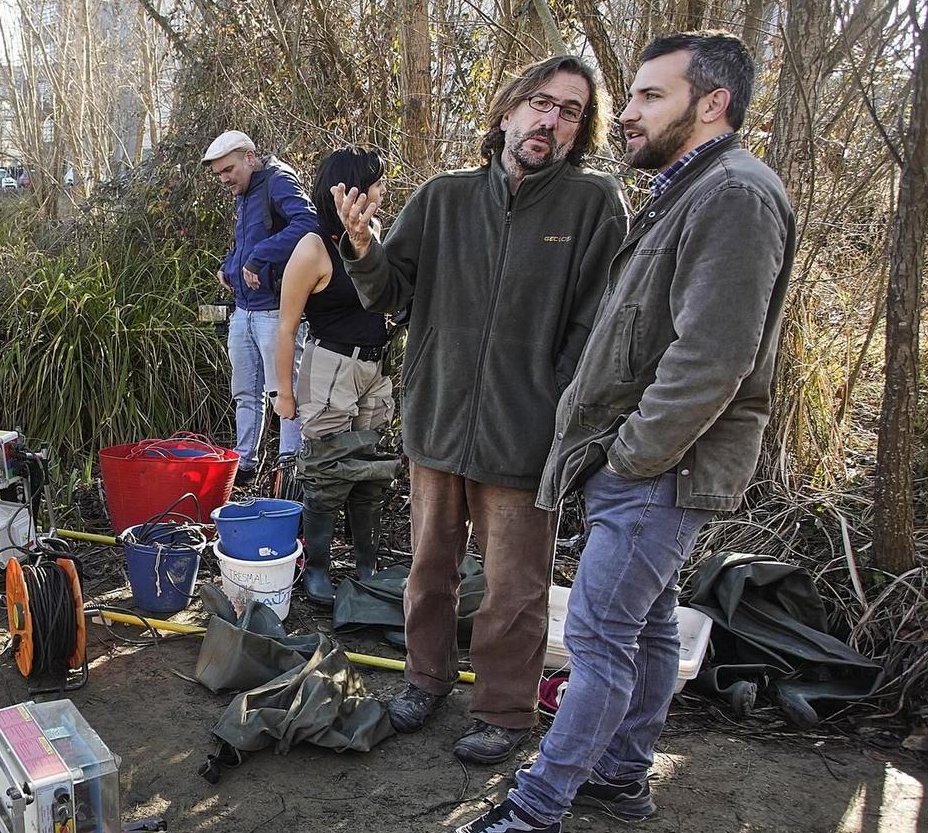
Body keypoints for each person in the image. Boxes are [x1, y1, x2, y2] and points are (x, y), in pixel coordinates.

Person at [429, 31, 795, 833]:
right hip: (654, 467)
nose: (624, 114)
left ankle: (534, 814)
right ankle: (621, 771)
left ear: (713, 105)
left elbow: (713, 356)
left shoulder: (735, 195)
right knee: (652, 621)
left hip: (663, 470)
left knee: (596, 637)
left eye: (648, 97)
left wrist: (632, 456)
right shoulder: (687, 191)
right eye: (628, 97)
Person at [338, 54, 627, 766]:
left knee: (515, 588)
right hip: (437, 423)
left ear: (579, 131)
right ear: (506, 111)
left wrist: (553, 408)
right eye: (540, 102)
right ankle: (424, 680)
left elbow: (598, 327)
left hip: (525, 438)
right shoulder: (444, 197)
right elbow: (391, 293)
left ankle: (503, 711)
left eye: (569, 112)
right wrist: (362, 246)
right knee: (429, 569)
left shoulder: (593, 207)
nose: (550, 120)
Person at [270, 147, 400, 604]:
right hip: (329, 367)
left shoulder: (373, 234)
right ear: (352, 188)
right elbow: (285, 327)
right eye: (378, 183)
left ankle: (366, 563)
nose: (384, 191)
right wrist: (282, 392)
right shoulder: (312, 247)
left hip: (373, 369)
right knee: (327, 472)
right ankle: (319, 569)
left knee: (370, 469)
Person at [203, 130, 320, 486]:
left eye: (229, 170)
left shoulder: (277, 180)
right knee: (245, 392)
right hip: (244, 308)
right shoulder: (244, 192)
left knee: (283, 391)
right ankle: (245, 465)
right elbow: (247, 242)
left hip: (277, 310)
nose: (224, 179)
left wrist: (257, 259)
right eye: (219, 174)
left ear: (250, 157)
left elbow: (309, 224)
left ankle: (289, 470)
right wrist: (230, 267)